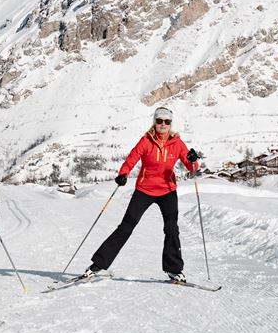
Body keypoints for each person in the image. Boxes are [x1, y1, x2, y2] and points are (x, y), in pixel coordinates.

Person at [83, 106, 199, 283]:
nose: (163, 124)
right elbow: (132, 158)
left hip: (167, 191)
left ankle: (174, 270)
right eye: (159, 121)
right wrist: (123, 174)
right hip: (144, 190)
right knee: (126, 227)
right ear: (155, 122)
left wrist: (193, 161)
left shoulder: (177, 144)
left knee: (172, 228)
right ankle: (97, 266)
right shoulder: (146, 141)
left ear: (170, 124)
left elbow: (192, 169)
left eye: (167, 121)